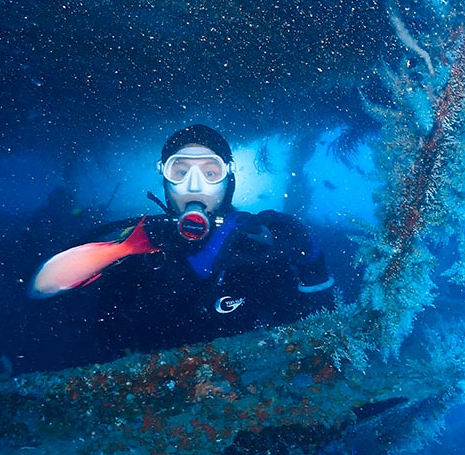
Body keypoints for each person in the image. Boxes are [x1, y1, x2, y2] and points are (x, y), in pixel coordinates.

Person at [31, 124, 334, 358]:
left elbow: (315, 338)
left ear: (229, 179)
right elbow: (110, 340)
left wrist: (314, 268)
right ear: (164, 178)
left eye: (210, 172)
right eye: (180, 171)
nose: (194, 186)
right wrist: (188, 276)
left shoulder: (258, 250)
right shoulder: (136, 251)